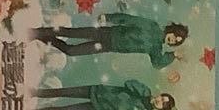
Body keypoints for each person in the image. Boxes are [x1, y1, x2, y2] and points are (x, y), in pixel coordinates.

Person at [32, 16, 188, 68]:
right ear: (172, 30)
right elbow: (129, 19)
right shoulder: (152, 26)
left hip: (107, 46)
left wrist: (173, 55)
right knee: (69, 32)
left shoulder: (156, 49)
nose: (173, 39)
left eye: (176, 41)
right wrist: (109, 17)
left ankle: (41, 35)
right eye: (175, 35)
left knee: (71, 51)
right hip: (106, 32)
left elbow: (157, 63)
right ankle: (37, 32)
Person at [30, 82, 177, 110]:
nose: (159, 101)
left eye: (162, 105)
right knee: (63, 92)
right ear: (161, 94)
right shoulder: (145, 90)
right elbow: (129, 83)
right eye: (162, 98)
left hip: (99, 108)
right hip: (98, 92)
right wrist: (144, 94)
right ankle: (35, 93)